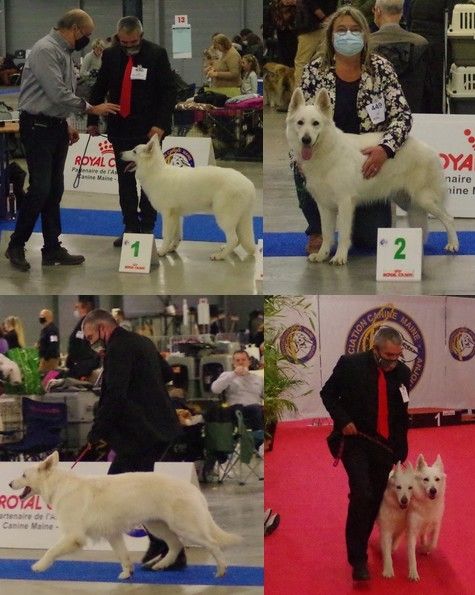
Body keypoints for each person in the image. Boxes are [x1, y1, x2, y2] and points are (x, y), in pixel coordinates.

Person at [4, 9, 121, 272]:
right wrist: (91, 108)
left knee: (54, 191)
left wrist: (66, 123)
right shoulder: (45, 50)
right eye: (87, 35)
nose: (87, 40)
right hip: (37, 127)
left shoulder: (65, 53)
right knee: (40, 189)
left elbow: (60, 95)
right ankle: (15, 244)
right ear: (75, 29)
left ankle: (51, 248)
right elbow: (56, 93)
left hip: (54, 126)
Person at [294, 5, 411, 254]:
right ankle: (317, 230)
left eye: (355, 30)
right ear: (330, 36)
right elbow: (298, 120)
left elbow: (402, 116)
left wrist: (385, 149)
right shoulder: (315, 70)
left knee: (369, 242)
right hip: (323, 156)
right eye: (341, 30)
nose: (348, 35)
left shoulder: (381, 69)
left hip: (367, 164)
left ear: (365, 34)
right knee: (301, 162)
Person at [82, 309, 185, 571]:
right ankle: (162, 547)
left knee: (118, 489)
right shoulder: (142, 341)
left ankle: (168, 548)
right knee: (139, 494)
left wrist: (98, 431)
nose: (90, 342)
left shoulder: (117, 348)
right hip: (157, 428)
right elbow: (166, 374)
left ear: (103, 328)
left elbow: (115, 394)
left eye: (91, 336)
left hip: (140, 433)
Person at [320, 326, 410, 581]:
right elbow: (328, 394)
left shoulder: (402, 372)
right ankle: (358, 559)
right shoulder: (351, 365)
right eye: (388, 355)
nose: (393, 361)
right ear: (375, 349)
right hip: (355, 440)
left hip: (385, 446)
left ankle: (363, 536)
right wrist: (343, 420)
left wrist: (402, 446)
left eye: (397, 355)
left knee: (373, 500)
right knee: (362, 493)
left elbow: (401, 413)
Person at [87, 16, 176, 247]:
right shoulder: (110, 55)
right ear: (118, 38)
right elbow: (99, 88)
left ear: (141, 36)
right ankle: (130, 227)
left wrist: (161, 125)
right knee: (125, 181)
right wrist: (92, 120)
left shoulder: (157, 54)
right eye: (124, 42)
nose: (129, 46)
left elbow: (168, 92)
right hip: (120, 129)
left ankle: (147, 227)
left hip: (149, 131)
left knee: (151, 181)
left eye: (133, 42)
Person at [370, 0, 428, 112]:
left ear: (378, 11)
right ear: (402, 13)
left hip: (376, 115)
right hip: (416, 114)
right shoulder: (421, 43)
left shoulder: (366, 45)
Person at [211, 350, 264, 431]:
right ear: (233, 363)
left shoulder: (258, 378)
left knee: (260, 409)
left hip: (256, 408)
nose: (241, 363)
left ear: (249, 362)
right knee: (255, 409)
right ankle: (258, 435)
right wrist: (234, 374)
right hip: (235, 409)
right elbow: (215, 389)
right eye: (237, 360)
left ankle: (264, 439)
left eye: (243, 360)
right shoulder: (227, 375)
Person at [294, 0, 339, 86]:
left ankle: (320, 90)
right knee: (303, 62)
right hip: (310, 26)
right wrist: (325, 18)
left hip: (326, 26)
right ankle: (299, 93)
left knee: (324, 61)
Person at [65, 299, 100, 380]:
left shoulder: (85, 323)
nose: (75, 310)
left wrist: (73, 361)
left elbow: (82, 345)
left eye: (77, 307)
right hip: (82, 363)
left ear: (83, 308)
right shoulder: (86, 322)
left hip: (83, 364)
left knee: (55, 375)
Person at [38, 309, 60, 373]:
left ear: (48, 317)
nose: (40, 318)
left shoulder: (52, 330)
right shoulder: (45, 329)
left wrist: (46, 357)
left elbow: (53, 344)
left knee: (47, 377)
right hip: (45, 358)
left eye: (42, 316)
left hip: (50, 359)